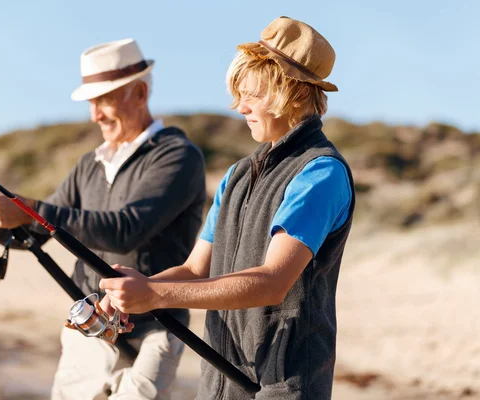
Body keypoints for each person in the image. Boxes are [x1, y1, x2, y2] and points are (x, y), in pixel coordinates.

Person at [99, 17, 355, 399]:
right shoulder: (237, 175)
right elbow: (193, 269)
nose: (238, 107)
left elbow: (272, 283)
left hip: (284, 387)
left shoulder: (320, 173)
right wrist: (131, 292)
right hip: (219, 384)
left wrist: (155, 296)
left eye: (251, 94)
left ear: (295, 94)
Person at [0, 38, 207, 400]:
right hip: (86, 327)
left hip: (154, 331)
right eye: (92, 102)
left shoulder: (178, 157)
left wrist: (31, 209)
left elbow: (126, 231)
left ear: (139, 92)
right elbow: (36, 233)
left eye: (104, 100)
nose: (95, 115)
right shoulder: (89, 164)